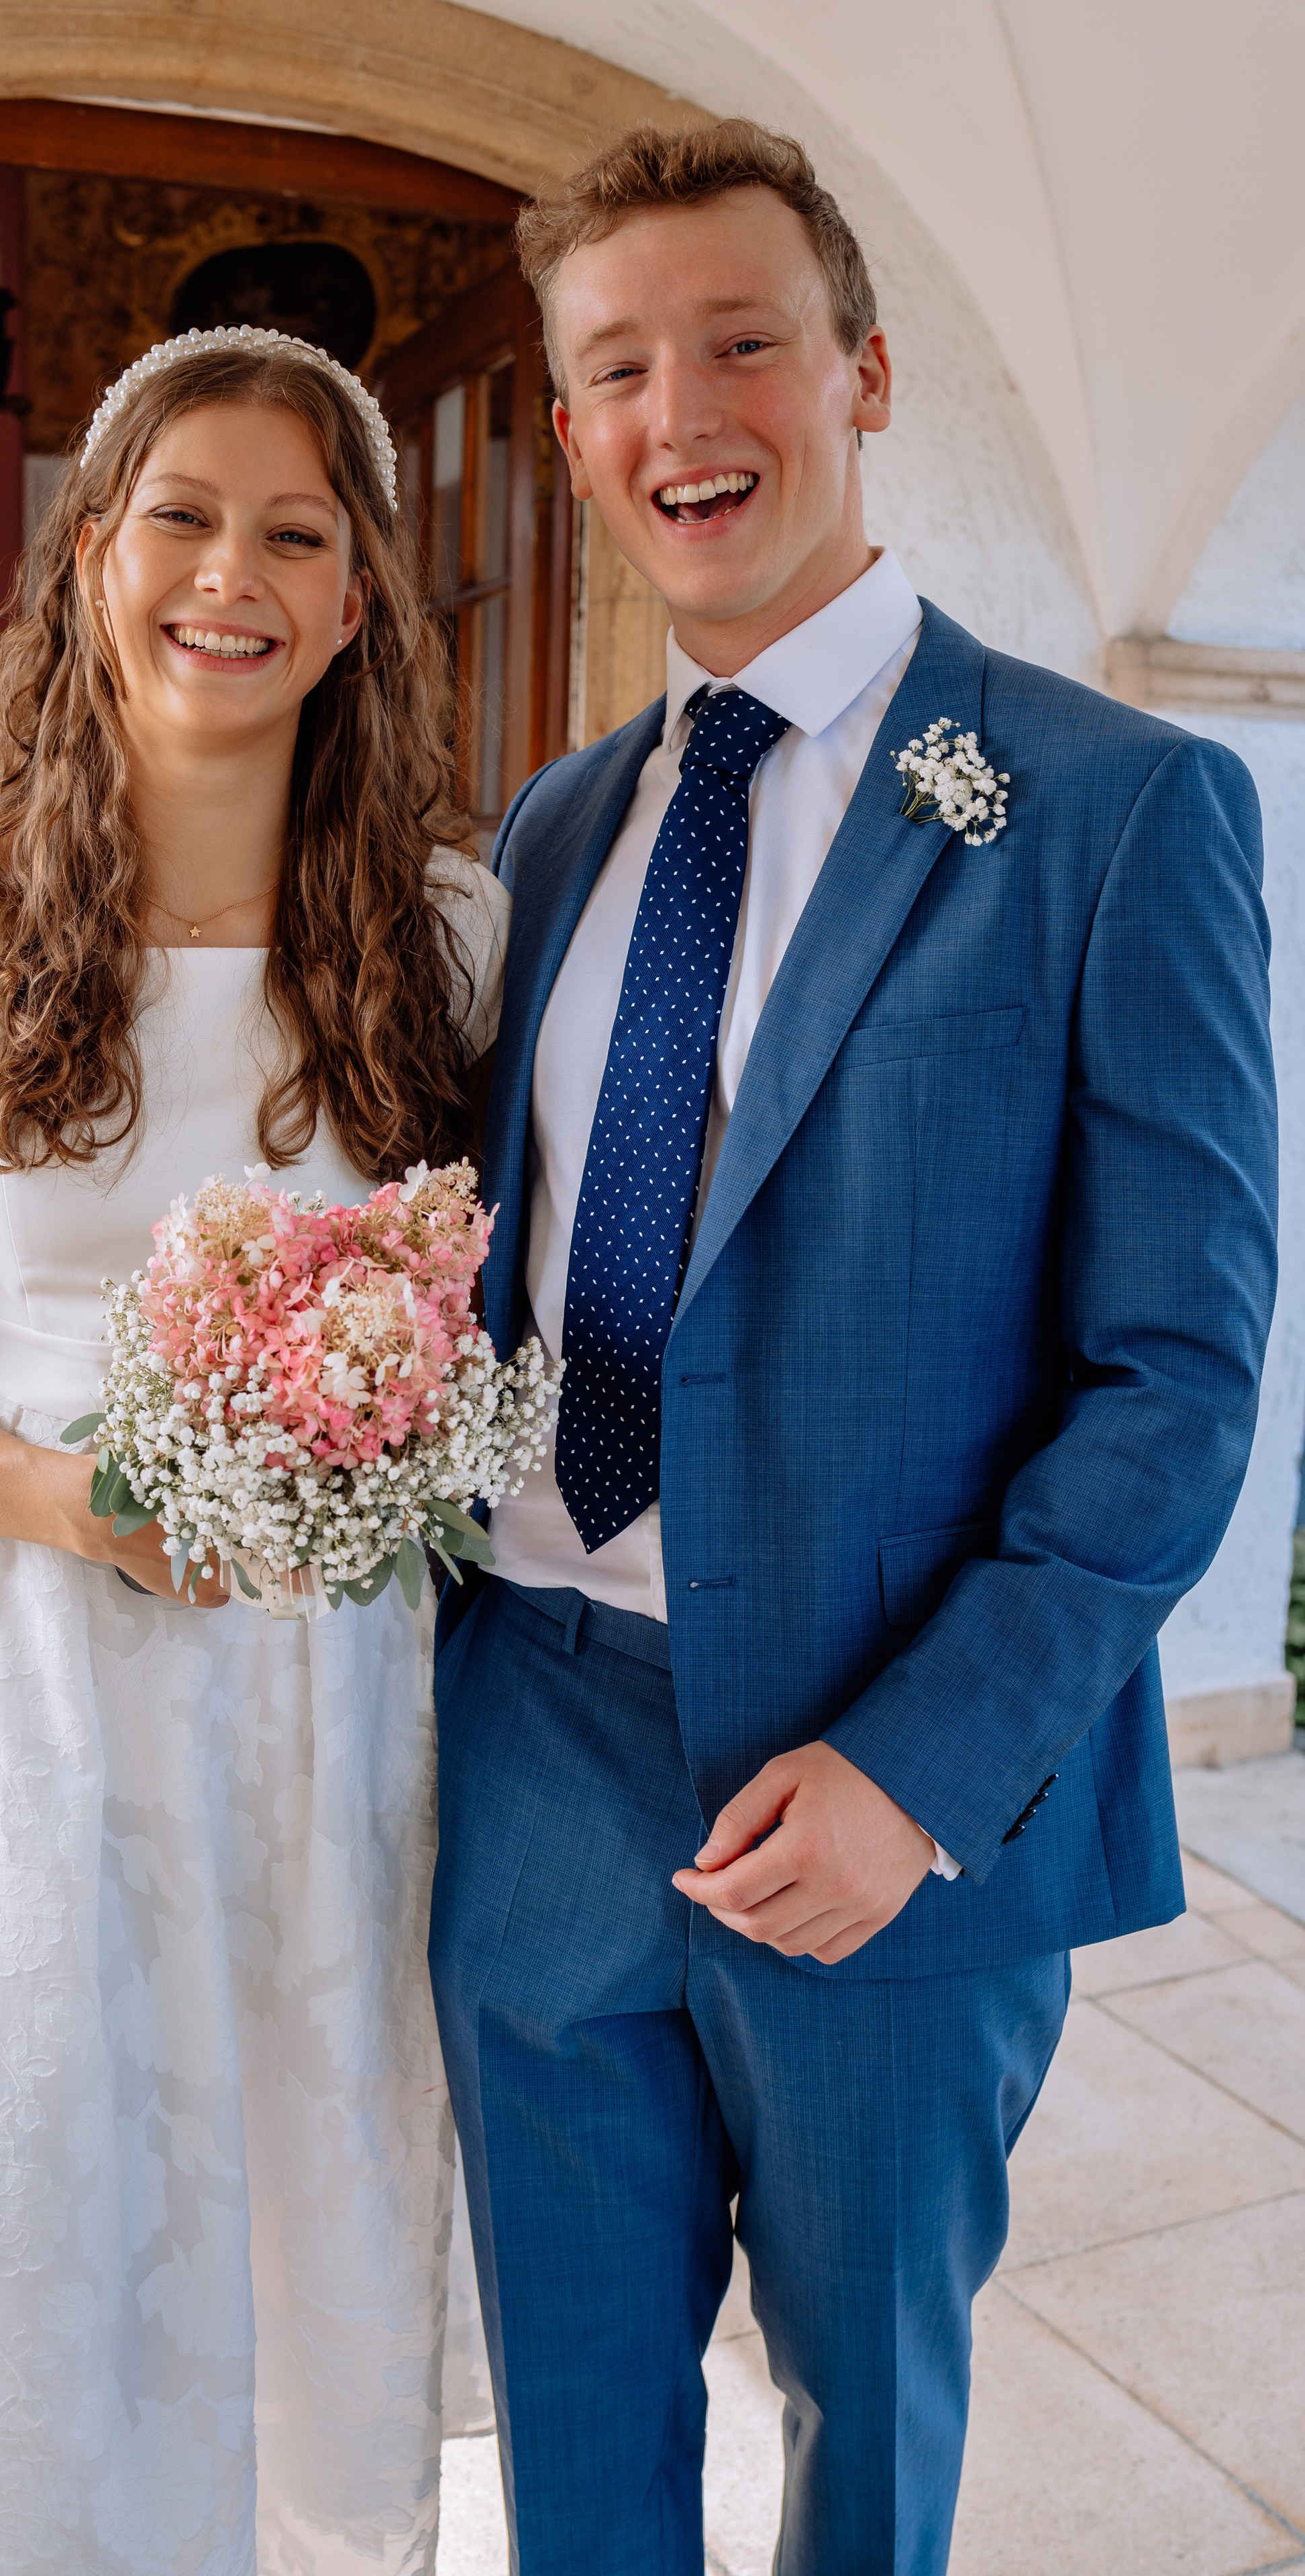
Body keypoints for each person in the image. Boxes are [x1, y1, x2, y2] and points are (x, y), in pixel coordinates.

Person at [428, 119, 1277, 2576]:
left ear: (863, 374)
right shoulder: (556, 828)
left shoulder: (1117, 806)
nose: (683, 407)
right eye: (619, 368)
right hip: (541, 1739)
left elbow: (1181, 1377)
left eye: (741, 341)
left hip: (888, 1785)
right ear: (578, 435)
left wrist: (919, 1769)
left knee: (863, 2425)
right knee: (576, 2446)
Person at [0, 328, 507, 2575]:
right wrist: (70, 1500)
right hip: (30, 1682)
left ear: (362, 598)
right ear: (91, 555)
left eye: (298, 532)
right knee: (47, 2235)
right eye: (183, 515)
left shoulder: (452, 935)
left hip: (335, 1699)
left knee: (312, 2239)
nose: (236, 572)